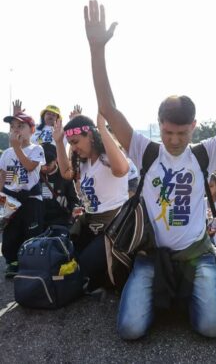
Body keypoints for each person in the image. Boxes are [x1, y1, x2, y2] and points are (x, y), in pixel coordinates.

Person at [84, 0, 216, 339]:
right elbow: (108, 108)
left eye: (182, 132)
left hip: (197, 254)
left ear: (194, 126)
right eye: (168, 132)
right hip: (151, 255)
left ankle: (191, 291)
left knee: (210, 328)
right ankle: (171, 294)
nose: (175, 140)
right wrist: (96, 48)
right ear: (159, 126)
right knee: (130, 330)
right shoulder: (143, 150)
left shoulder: (203, 153)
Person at [53, 113, 129, 291]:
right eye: (71, 143)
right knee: (68, 258)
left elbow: (121, 169)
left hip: (114, 227)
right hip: (91, 224)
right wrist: (58, 142)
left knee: (83, 267)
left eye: (76, 142)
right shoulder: (84, 163)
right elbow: (66, 173)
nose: (74, 147)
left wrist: (102, 129)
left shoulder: (107, 157)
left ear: (91, 136)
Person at [0, 113, 45, 277]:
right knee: (10, 232)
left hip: (31, 198)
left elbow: (30, 167)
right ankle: (12, 262)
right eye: (12, 127)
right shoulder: (6, 153)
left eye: (21, 126)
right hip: (10, 198)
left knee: (32, 231)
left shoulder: (36, 149)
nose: (15, 130)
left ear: (32, 130)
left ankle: (31, 262)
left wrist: (17, 148)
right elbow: (4, 177)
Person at [40, 142, 80, 229]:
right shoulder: (33, 174)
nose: (44, 168)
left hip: (61, 222)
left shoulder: (65, 175)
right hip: (38, 222)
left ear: (56, 160)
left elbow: (74, 200)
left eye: (48, 164)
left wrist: (75, 209)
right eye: (41, 164)